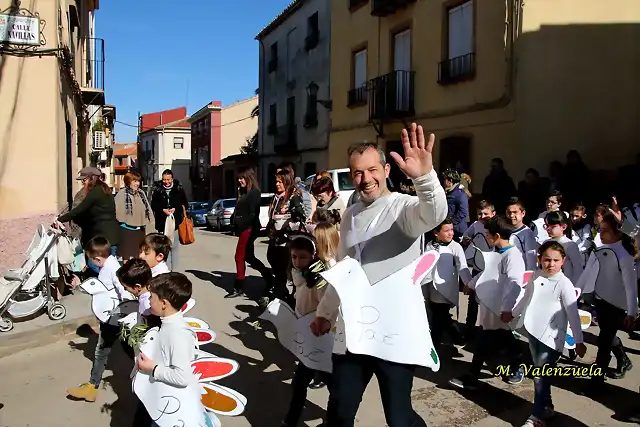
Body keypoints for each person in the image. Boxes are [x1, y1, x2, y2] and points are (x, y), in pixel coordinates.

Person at [311, 123, 448, 427]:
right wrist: (326, 312)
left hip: (394, 334)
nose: (365, 179)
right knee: (339, 412)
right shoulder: (349, 215)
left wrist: (425, 178)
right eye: (357, 172)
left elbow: (434, 213)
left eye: (372, 170)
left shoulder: (404, 207)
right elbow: (347, 269)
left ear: (386, 170)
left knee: (399, 420)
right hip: (354, 335)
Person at [449, 216, 526, 390]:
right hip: (490, 304)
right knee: (499, 337)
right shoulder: (497, 253)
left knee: (491, 338)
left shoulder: (512, 256)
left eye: (487, 234)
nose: (485, 237)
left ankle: (475, 375)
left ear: (496, 235)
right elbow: (486, 273)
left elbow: (515, 284)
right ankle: (514, 365)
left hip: (500, 306)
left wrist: (507, 307)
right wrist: (470, 285)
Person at [521, 241, 587, 427]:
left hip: (551, 339)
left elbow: (573, 314)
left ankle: (537, 417)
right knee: (541, 374)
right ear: (539, 259)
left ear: (563, 261)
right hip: (533, 334)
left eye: (555, 260)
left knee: (540, 375)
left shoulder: (564, 284)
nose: (551, 264)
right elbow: (526, 298)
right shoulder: (535, 276)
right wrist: (513, 312)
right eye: (546, 260)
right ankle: (547, 407)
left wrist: (579, 341)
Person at [135, 272, 210, 427]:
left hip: (173, 407)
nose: (148, 301)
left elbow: (182, 377)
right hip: (162, 396)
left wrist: (153, 369)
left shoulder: (177, 333)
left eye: (151, 297)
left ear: (164, 303)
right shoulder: (166, 324)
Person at [577, 210, 637, 392]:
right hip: (600, 300)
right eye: (599, 230)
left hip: (617, 305)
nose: (600, 234)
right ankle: (624, 360)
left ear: (617, 233)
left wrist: (632, 311)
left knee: (603, 342)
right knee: (606, 335)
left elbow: (630, 286)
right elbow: (587, 274)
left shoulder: (624, 257)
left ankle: (597, 381)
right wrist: (575, 292)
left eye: (605, 231)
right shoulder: (599, 251)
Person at [281, 233, 334, 427]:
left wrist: (320, 322)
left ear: (313, 256)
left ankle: (336, 418)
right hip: (306, 337)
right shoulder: (299, 277)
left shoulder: (319, 281)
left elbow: (328, 307)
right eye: (294, 256)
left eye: (303, 257)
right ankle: (291, 420)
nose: (297, 261)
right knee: (301, 384)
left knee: (329, 384)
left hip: (320, 338)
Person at [66, 237, 127, 402]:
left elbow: (123, 291)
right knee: (120, 348)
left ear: (97, 259)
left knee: (103, 351)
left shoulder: (113, 269)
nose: (93, 263)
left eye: (92, 260)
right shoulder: (109, 266)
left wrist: (125, 312)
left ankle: (92, 386)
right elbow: (100, 289)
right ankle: (92, 387)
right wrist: (81, 286)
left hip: (114, 317)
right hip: (113, 316)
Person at [58, 166, 121, 274]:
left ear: (92, 178)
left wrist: (60, 219)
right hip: (110, 234)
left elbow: (78, 210)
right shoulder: (103, 189)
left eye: (84, 179)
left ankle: (115, 283)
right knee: (109, 265)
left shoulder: (95, 192)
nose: (83, 182)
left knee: (95, 263)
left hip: (104, 235)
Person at [115, 258, 155, 427]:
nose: (126, 290)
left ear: (137, 287)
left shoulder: (147, 303)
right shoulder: (151, 294)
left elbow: (149, 329)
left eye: (126, 287)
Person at [423, 218, 471, 350]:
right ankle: (456, 336)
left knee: (438, 319)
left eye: (452, 229)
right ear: (436, 233)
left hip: (446, 289)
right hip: (431, 289)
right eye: (446, 230)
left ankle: (434, 348)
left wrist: (469, 284)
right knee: (440, 316)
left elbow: (463, 267)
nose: (451, 233)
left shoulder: (456, 247)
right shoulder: (429, 245)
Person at [227, 168, 273, 298]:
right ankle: (269, 277)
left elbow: (253, 214)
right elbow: (239, 210)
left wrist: (240, 224)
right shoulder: (243, 192)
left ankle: (239, 285)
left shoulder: (254, 193)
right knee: (248, 257)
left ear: (249, 178)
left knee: (239, 256)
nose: (240, 181)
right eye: (238, 179)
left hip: (249, 228)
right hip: (243, 228)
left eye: (242, 178)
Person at [262, 169, 306, 307]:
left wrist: (288, 220)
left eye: (280, 181)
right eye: (276, 181)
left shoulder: (293, 197)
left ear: (287, 182)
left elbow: (300, 216)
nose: (277, 184)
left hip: (286, 240)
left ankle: (284, 298)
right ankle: (281, 295)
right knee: (277, 267)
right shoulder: (277, 197)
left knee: (286, 271)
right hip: (274, 237)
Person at [150, 169, 188, 271]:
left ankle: (174, 271)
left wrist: (175, 209)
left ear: (172, 179)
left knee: (174, 247)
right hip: (162, 223)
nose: (166, 182)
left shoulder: (178, 189)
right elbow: (153, 205)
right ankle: (166, 270)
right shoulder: (157, 190)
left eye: (168, 179)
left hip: (175, 223)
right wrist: (162, 210)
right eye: (164, 180)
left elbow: (185, 204)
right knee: (164, 247)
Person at [114, 171, 155, 261]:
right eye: (135, 181)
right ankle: (127, 274)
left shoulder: (141, 193)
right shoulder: (122, 193)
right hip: (126, 230)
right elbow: (117, 211)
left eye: (138, 181)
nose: (137, 183)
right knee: (127, 255)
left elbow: (147, 207)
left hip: (139, 230)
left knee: (139, 254)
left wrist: (150, 220)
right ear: (129, 181)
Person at [544, 211, 583, 284]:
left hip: (565, 284)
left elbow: (578, 268)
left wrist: (575, 288)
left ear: (563, 227)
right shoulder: (545, 243)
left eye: (553, 226)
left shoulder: (570, 245)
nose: (548, 229)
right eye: (546, 225)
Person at [505, 197, 538, 271]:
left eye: (515, 212)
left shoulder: (527, 234)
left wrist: (528, 280)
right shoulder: (503, 231)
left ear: (523, 213)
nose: (511, 215)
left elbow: (531, 262)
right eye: (509, 212)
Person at [442, 169, 469, 240]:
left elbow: (463, 212)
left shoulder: (460, 194)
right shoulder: (449, 192)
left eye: (444, 179)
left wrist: (451, 222)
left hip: (457, 231)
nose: (443, 182)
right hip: (448, 229)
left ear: (450, 181)